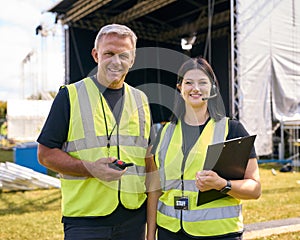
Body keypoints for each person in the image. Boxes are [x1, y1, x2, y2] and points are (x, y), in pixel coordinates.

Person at [37, 24, 156, 240]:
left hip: (133, 220)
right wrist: (90, 168)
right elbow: (45, 154)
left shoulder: (141, 100)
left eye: (123, 55)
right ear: (95, 55)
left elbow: (149, 165)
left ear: (133, 59)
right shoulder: (69, 96)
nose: (116, 61)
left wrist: (151, 228)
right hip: (85, 222)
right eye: (109, 53)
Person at [148, 57, 261, 240]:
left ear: (212, 88)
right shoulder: (164, 133)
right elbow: (155, 189)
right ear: (180, 87)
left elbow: (255, 188)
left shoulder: (232, 130)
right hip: (170, 232)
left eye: (203, 82)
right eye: (189, 82)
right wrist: (151, 235)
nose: (196, 88)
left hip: (218, 233)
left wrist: (222, 184)